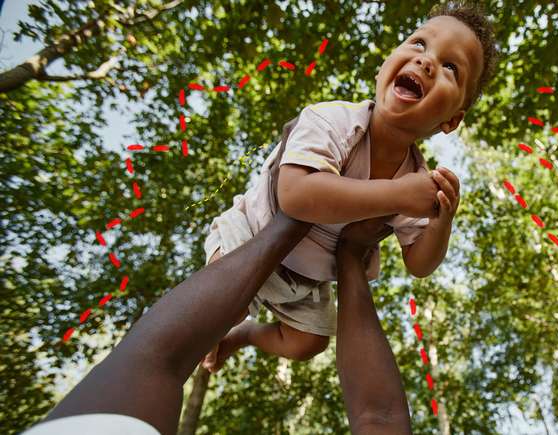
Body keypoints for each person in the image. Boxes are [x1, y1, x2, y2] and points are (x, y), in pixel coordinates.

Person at [201, 0, 496, 373]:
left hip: (303, 284)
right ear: (384, 67)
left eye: (451, 66)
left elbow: (419, 263)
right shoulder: (336, 121)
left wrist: (441, 221)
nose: (426, 61)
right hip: (248, 236)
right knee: (221, 306)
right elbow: (297, 195)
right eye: (419, 43)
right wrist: (399, 195)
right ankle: (209, 329)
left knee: (309, 342)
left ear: (452, 119)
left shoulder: (417, 177)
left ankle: (244, 335)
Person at [25, 213, 412, 434]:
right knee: (222, 313)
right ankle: (292, 224)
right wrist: (346, 251)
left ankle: (239, 326)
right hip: (270, 242)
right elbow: (379, 417)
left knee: (303, 341)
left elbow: (155, 361)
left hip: (295, 278)